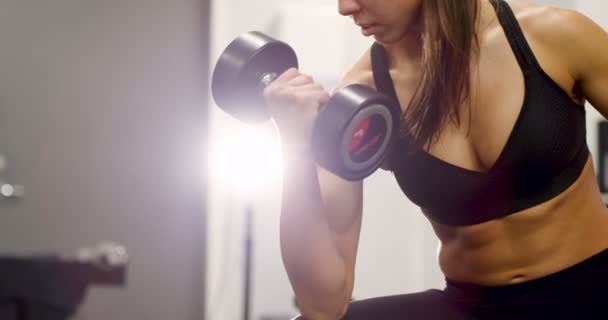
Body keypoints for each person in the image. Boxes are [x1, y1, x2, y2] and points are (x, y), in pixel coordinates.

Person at [263, 0, 608, 319]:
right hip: (472, 307)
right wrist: (295, 147)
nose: (345, 7)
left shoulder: (552, 36)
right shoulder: (363, 95)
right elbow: (322, 304)